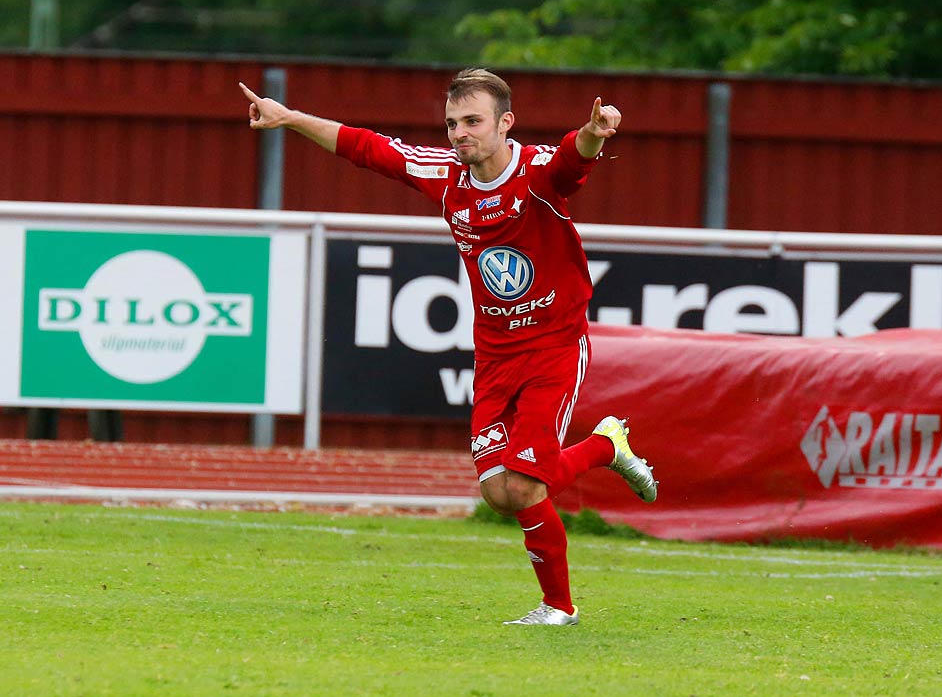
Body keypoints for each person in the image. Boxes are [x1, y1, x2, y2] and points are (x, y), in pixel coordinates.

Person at [241, 68, 658, 626]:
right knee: (499, 492)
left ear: (505, 124)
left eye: (472, 122)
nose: (460, 133)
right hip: (494, 355)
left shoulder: (534, 172)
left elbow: (571, 159)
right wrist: (290, 117)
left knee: (527, 484)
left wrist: (594, 132)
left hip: (554, 347)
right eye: (452, 123)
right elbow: (364, 147)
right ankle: (606, 447)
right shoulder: (446, 175)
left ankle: (558, 608)